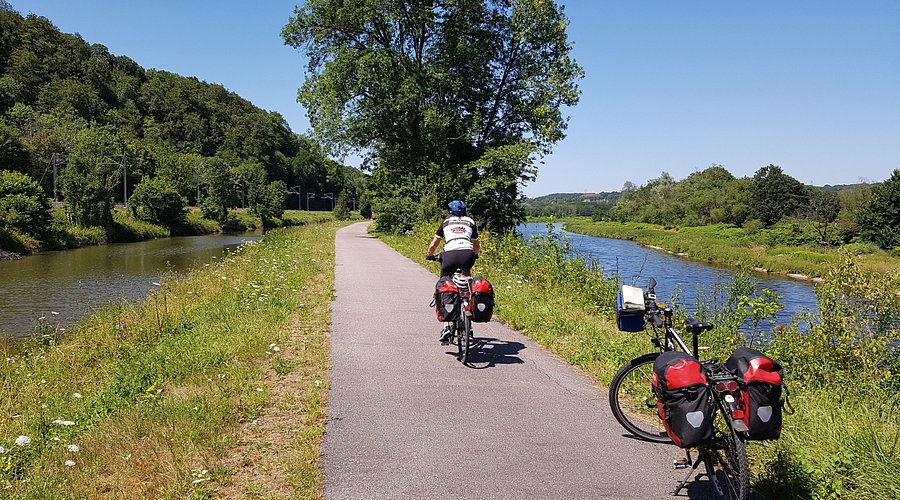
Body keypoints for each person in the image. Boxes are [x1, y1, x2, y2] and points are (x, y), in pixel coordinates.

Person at [426, 200, 480, 343]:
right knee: (466, 279)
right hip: (467, 254)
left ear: (450, 211)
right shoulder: (470, 222)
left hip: (449, 255)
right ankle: (468, 313)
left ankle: (447, 327)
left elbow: (434, 244)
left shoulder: (446, 222)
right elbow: (476, 244)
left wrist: (430, 255)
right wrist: (475, 254)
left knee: (444, 284)